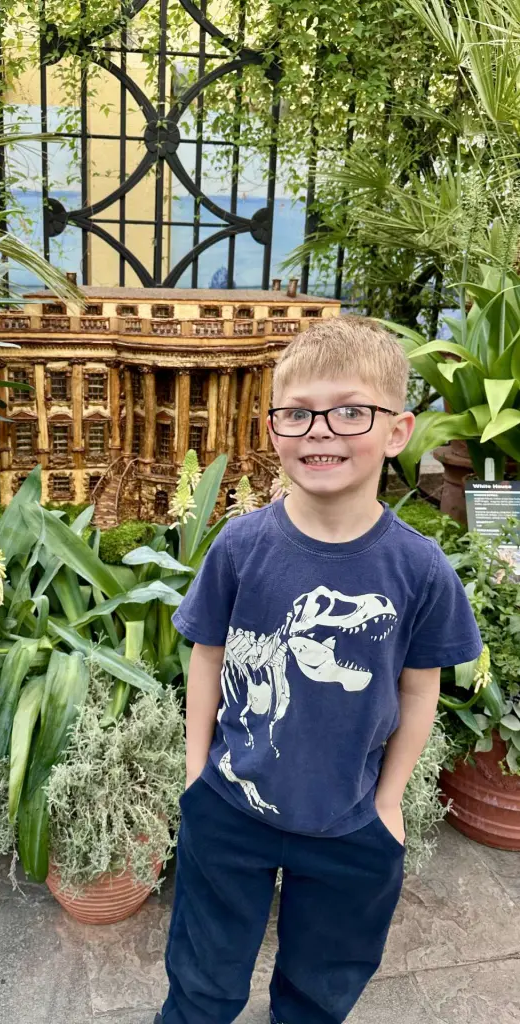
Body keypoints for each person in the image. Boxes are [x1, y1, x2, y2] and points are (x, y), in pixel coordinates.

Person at [155, 317, 482, 1024]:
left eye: (349, 411)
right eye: (296, 413)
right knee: (201, 985)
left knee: (319, 992)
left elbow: (419, 686)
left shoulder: (418, 568)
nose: (319, 431)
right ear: (273, 428)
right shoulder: (239, 546)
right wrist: (195, 778)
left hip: (351, 822)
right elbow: (206, 657)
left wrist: (388, 802)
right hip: (230, 809)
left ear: (396, 430)